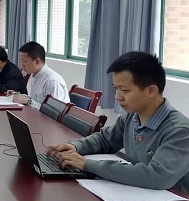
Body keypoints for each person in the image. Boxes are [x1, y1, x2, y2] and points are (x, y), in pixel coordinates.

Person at [47, 52, 189, 192]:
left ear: (151, 91)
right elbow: (105, 140)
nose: (117, 96)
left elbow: (157, 176)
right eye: (116, 88)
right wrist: (76, 146)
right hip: (140, 194)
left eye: (124, 90)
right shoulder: (131, 117)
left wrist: (87, 165)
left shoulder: (180, 131)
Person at [12, 41, 69, 108]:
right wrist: (20, 96)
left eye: (25, 61)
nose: (22, 66)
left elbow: (54, 110)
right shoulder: (33, 75)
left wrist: (28, 101)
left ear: (37, 61)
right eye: (21, 61)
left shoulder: (52, 81)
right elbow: (35, 99)